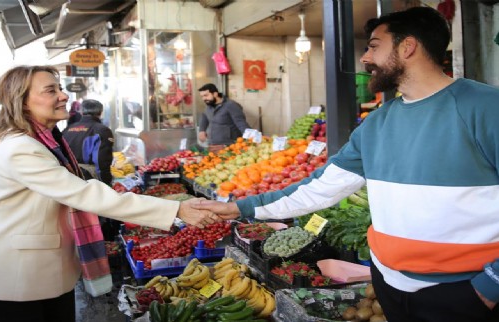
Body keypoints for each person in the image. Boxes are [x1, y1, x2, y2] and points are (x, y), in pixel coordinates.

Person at [193, 7, 499, 322]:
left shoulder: (486, 108)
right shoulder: (376, 124)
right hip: (389, 287)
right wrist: (239, 208)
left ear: (407, 47)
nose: (366, 57)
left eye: (375, 46)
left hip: (464, 292)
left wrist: (490, 287)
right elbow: (319, 189)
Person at [0, 65, 219, 322]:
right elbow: (85, 194)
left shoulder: (46, 141)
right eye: (51, 91)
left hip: (42, 273)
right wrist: (177, 209)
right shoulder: (21, 148)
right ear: (22, 103)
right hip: (18, 277)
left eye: (60, 88)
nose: (63, 95)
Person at [63, 98, 118, 240]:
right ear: (100, 112)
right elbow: (102, 161)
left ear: (81, 111)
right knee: (94, 218)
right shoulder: (101, 130)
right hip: (89, 178)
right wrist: (107, 186)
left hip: (67, 178)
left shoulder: (67, 129)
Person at [198, 83, 251, 150]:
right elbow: (204, 116)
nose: (204, 99)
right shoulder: (209, 105)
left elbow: (241, 123)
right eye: (202, 96)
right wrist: (202, 130)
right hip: (213, 144)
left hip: (229, 146)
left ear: (215, 94)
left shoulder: (231, 105)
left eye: (206, 95)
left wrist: (251, 138)